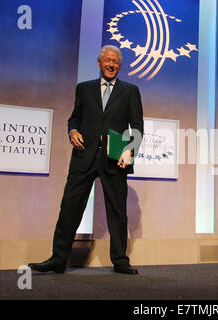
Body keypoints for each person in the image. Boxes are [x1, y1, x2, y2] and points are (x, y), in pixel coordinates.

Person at [29, 45, 144, 275]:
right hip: (84, 157)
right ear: (99, 63)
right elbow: (75, 118)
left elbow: (138, 127)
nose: (111, 64)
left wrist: (129, 151)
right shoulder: (84, 89)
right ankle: (58, 259)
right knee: (70, 207)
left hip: (115, 158)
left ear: (119, 66)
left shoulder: (131, 91)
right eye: (107, 60)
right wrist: (72, 132)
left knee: (117, 210)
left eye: (116, 62)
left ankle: (120, 261)